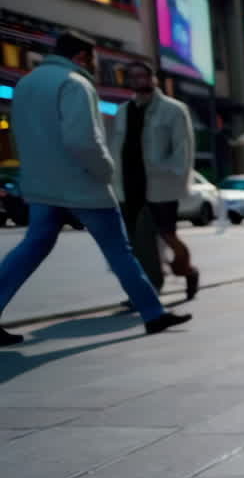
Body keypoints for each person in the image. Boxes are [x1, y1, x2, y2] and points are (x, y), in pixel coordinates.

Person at [0, 31, 191, 346]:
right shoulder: (75, 84)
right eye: (93, 59)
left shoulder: (26, 84)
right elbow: (83, 140)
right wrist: (105, 171)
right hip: (82, 186)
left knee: (32, 247)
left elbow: (17, 137)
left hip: (41, 186)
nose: (94, 66)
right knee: (119, 250)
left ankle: (153, 311)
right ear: (81, 57)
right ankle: (153, 314)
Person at [110, 60, 200, 300]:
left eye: (142, 75)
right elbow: (116, 146)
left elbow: (183, 148)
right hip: (129, 185)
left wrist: (174, 175)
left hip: (161, 185)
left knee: (167, 235)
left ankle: (188, 271)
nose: (138, 80)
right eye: (133, 76)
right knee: (138, 241)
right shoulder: (123, 111)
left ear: (153, 79)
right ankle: (148, 288)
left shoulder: (173, 109)